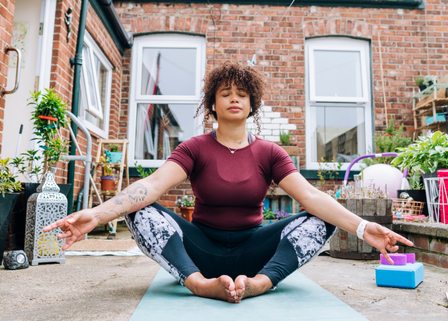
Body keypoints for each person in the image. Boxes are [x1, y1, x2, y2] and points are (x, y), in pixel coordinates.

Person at [44, 61, 413, 304]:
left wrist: (365, 227)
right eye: (225, 94)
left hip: (256, 250)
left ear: (252, 105)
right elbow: (151, 186)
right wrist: (95, 213)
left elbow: (311, 195)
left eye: (242, 94)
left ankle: (261, 283)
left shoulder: (270, 153)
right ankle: (197, 284)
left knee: (323, 216)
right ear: (212, 104)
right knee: (141, 212)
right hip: (200, 250)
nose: (234, 99)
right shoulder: (195, 147)